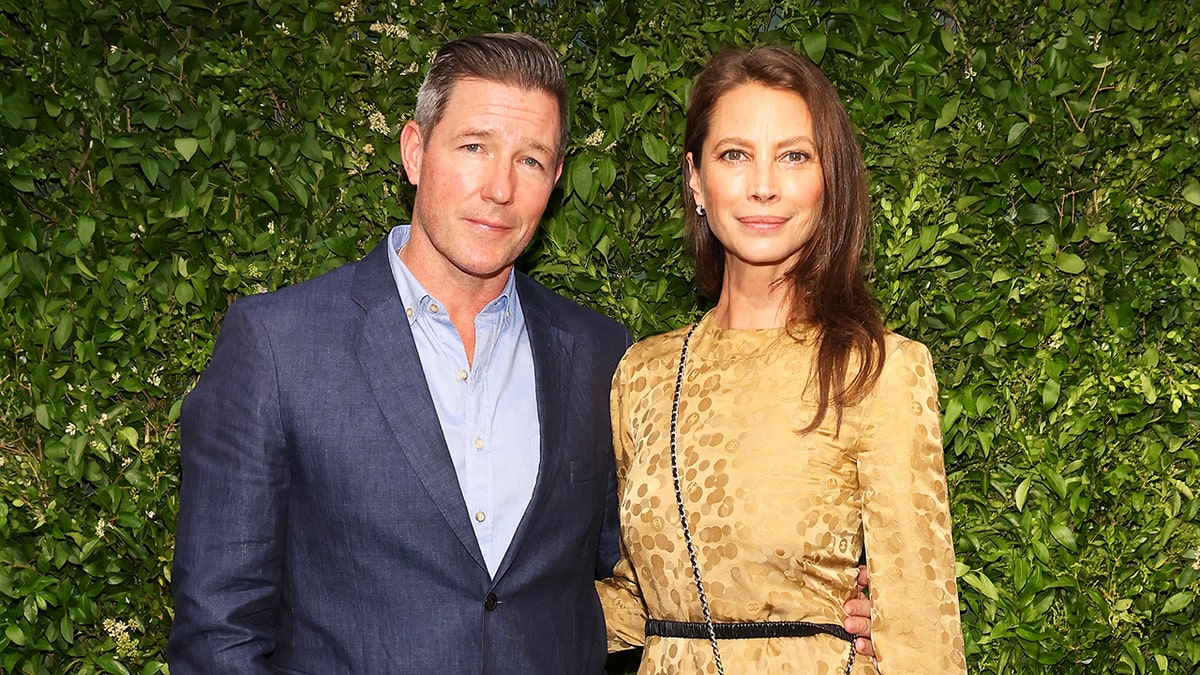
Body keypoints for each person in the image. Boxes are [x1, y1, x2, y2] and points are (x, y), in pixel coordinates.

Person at [168, 33, 875, 673]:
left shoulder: (601, 354)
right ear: (415, 151)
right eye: (474, 146)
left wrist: (796, 613)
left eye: (529, 160)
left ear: (555, 179)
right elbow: (218, 636)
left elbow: (639, 575)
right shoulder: (278, 344)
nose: (500, 188)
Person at [598, 46, 967, 673]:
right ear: (695, 179)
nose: (762, 185)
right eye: (734, 155)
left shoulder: (878, 369)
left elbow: (921, 629)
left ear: (830, 179)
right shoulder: (643, 373)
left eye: (793, 156)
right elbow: (635, 596)